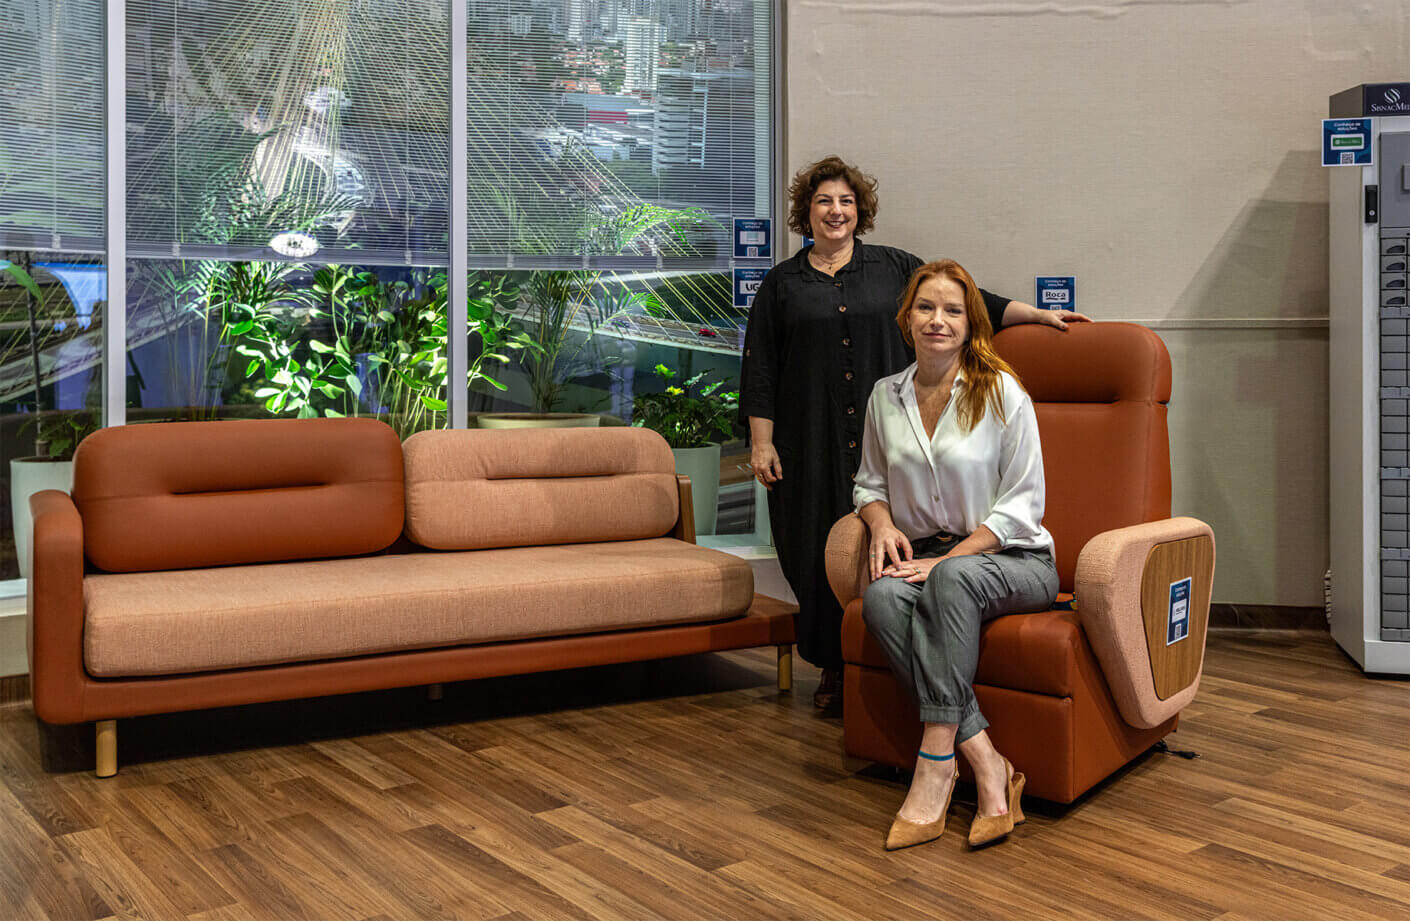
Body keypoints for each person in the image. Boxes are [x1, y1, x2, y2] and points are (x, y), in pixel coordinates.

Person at [738, 155, 1084, 710]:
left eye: (846, 201)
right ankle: (835, 666)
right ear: (807, 210)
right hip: (812, 439)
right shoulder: (781, 284)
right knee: (817, 551)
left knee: (878, 557)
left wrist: (1037, 315)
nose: (836, 210)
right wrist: (761, 441)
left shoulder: (896, 266)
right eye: (824, 200)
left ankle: (933, 716)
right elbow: (760, 368)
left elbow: (970, 301)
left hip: (889, 434)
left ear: (860, 211)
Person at [853, 258, 1059, 851]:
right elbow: (868, 482)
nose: (937, 320)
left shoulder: (1002, 392)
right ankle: (988, 760)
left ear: (971, 324)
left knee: (949, 583)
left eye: (952, 310)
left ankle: (936, 763)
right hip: (927, 558)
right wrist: (880, 522)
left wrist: (948, 561)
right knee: (885, 598)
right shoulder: (883, 397)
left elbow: (1022, 504)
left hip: (1014, 559)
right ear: (906, 317)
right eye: (925, 307)